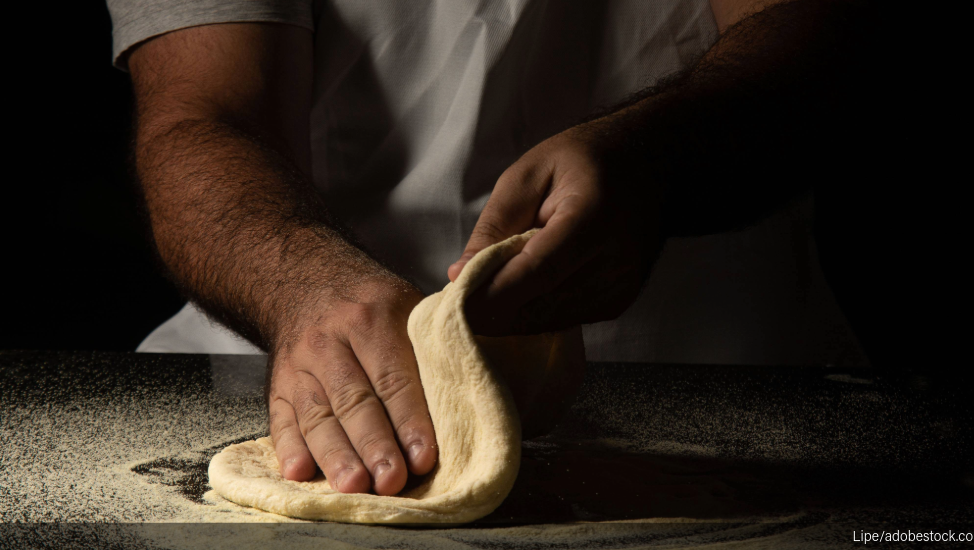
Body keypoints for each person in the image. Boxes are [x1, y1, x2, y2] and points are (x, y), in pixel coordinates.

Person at [109, 0, 902, 497]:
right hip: (295, 379)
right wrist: (299, 284)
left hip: (727, 376)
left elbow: (825, 37)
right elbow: (201, 118)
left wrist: (656, 161)